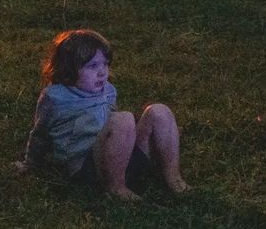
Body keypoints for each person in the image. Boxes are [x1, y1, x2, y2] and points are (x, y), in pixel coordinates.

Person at [19, 29, 189, 201]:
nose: (102, 72)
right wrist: (30, 163)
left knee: (159, 111)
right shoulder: (55, 97)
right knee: (123, 118)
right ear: (68, 69)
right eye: (92, 66)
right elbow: (40, 133)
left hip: (121, 159)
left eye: (105, 64)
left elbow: (114, 129)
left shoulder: (108, 90)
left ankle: (173, 177)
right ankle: (116, 188)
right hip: (87, 167)